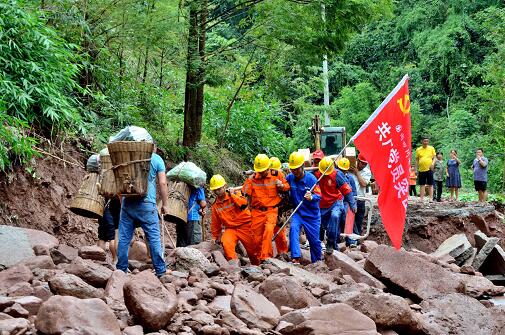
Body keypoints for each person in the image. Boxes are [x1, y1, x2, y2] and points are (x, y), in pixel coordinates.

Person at [116, 143, 169, 277]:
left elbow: (119, 181)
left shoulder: (127, 157)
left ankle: (121, 270)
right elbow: (162, 183)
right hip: (147, 203)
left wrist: (123, 203)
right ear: (153, 147)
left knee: (124, 238)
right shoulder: (156, 159)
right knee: (153, 238)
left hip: (127, 203)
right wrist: (165, 204)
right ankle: (161, 271)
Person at [242, 154, 290, 262]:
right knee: (256, 239)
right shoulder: (253, 178)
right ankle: (260, 261)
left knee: (268, 232)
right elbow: (244, 192)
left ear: (268, 168)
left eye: (263, 170)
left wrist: (281, 186)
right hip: (257, 211)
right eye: (260, 171)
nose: (262, 173)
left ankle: (266, 258)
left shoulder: (277, 174)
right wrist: (249, 179)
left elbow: (287, 187)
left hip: (272, 210)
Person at [209, 175, 259, 265]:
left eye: (219, 189)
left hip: (245, 225)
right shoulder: (215, 205)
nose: (217, 191)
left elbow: (244, 204)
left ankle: (258, 266)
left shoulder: (236, 193)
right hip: (231, 229)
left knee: (253, 250)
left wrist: (232, 195)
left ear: (224, 186)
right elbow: (215, 223)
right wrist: (214, 236)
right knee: (226, 243)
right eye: (215, 190)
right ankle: (234, 267)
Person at [314, 157, 356, 254]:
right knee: (326, 226)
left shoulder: (337, 174)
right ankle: (334, 246)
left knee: (335, 216)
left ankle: (330, 243)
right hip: (322, 204)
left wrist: (352, 203)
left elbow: (346, 189)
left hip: (335, 202)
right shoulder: (316, 174)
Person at [285, 151, 322, 263]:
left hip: (312, 215)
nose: (294, 171)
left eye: (297, 169)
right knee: (293, 229)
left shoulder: (311, 179)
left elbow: (319, 195)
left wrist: (312, 197)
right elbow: (284, 188)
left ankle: (317, 262)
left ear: (302, 166)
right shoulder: (290, 178)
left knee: (314, 241)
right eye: (292, 169)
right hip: (298, 212)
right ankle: (296, 257)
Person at [348, 153, 371, 242]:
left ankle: (357, 240)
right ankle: (350, 240)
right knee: (350, 220)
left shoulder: (367, 171)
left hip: (361, 199)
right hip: (351, 198)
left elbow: (364, 184)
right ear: (358, 160)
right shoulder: (350, 167)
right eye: (362, 163)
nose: (364, 165)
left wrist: (357, 173)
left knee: (358, 220)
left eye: (365, 164)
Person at [269, 156, 289, 257]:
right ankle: (268, 256)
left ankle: (283, 253)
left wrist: (282, 186)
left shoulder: (282, 177)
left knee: (279, 233)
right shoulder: (265, 179)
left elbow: (287, 189)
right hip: (268, 210)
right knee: (267, 234)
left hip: (279, 210)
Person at [336, 157, 359, 247]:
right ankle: (336, 240)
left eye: (344, 170)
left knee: (348, 216)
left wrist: (353, 204)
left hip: (347, 202)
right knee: (335, 217)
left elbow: (353, 193)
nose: (342, 172)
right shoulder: (335, 177)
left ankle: (351, 241)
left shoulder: (350, 179)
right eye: (341, 170)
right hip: (337, 201)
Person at [97, 195, 121, 263]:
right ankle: (115, 260)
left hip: (101, 210)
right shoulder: (114, 196)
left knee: (102, 237)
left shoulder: (105, 190)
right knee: (113, 237)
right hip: (110, 212)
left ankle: (99, 260)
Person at [415, 136, 436, 202]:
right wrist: (416, 169)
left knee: (430, 183)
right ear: (422, 141)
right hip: (421, 169)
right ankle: (421, 198)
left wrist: (433, 163)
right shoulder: (418, 149)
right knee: (422, 184)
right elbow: (417, 160)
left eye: (427, 141)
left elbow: (434, 157)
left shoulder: (431, 148)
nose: (426, 142)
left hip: (429, 168)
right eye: (424, 141)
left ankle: (431, 198)